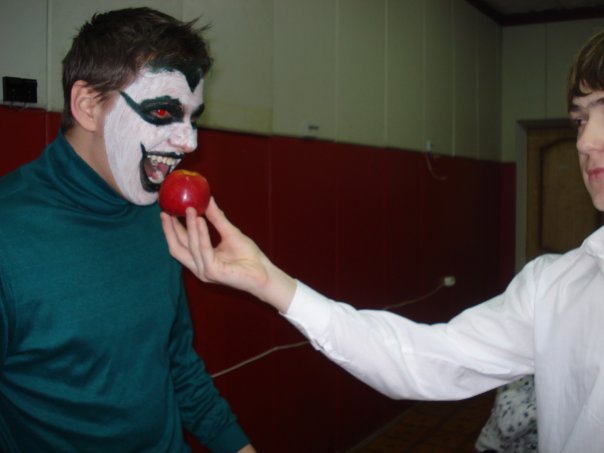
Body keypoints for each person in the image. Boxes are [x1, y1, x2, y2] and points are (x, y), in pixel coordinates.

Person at [161, 29, 604, 453]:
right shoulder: (555, 287)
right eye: (580, 119)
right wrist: (267, 280)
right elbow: (425, 359)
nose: (585, 141)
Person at [0, 7, 255, 452]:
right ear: (87, 106)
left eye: (193, 118)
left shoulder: (157, 214)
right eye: (164, 111)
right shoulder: (8, 238)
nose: (189, 142)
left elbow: (177, 364)